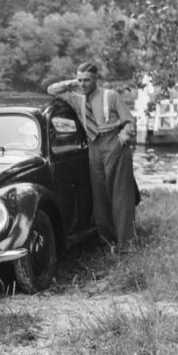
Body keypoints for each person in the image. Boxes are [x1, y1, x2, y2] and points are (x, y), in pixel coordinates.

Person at [47, 62, 137, 251]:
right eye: (80, 80)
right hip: (93, 147)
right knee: (100, 197)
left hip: (114, 142)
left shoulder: (110, 96)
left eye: (87, 80)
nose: (83, 84)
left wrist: (120, 141)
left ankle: (126, 245)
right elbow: (51, 89)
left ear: (96, 79)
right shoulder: (76, 99)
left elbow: (130, 122)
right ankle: (108, 241)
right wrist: (73, 82)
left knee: (120, 195)